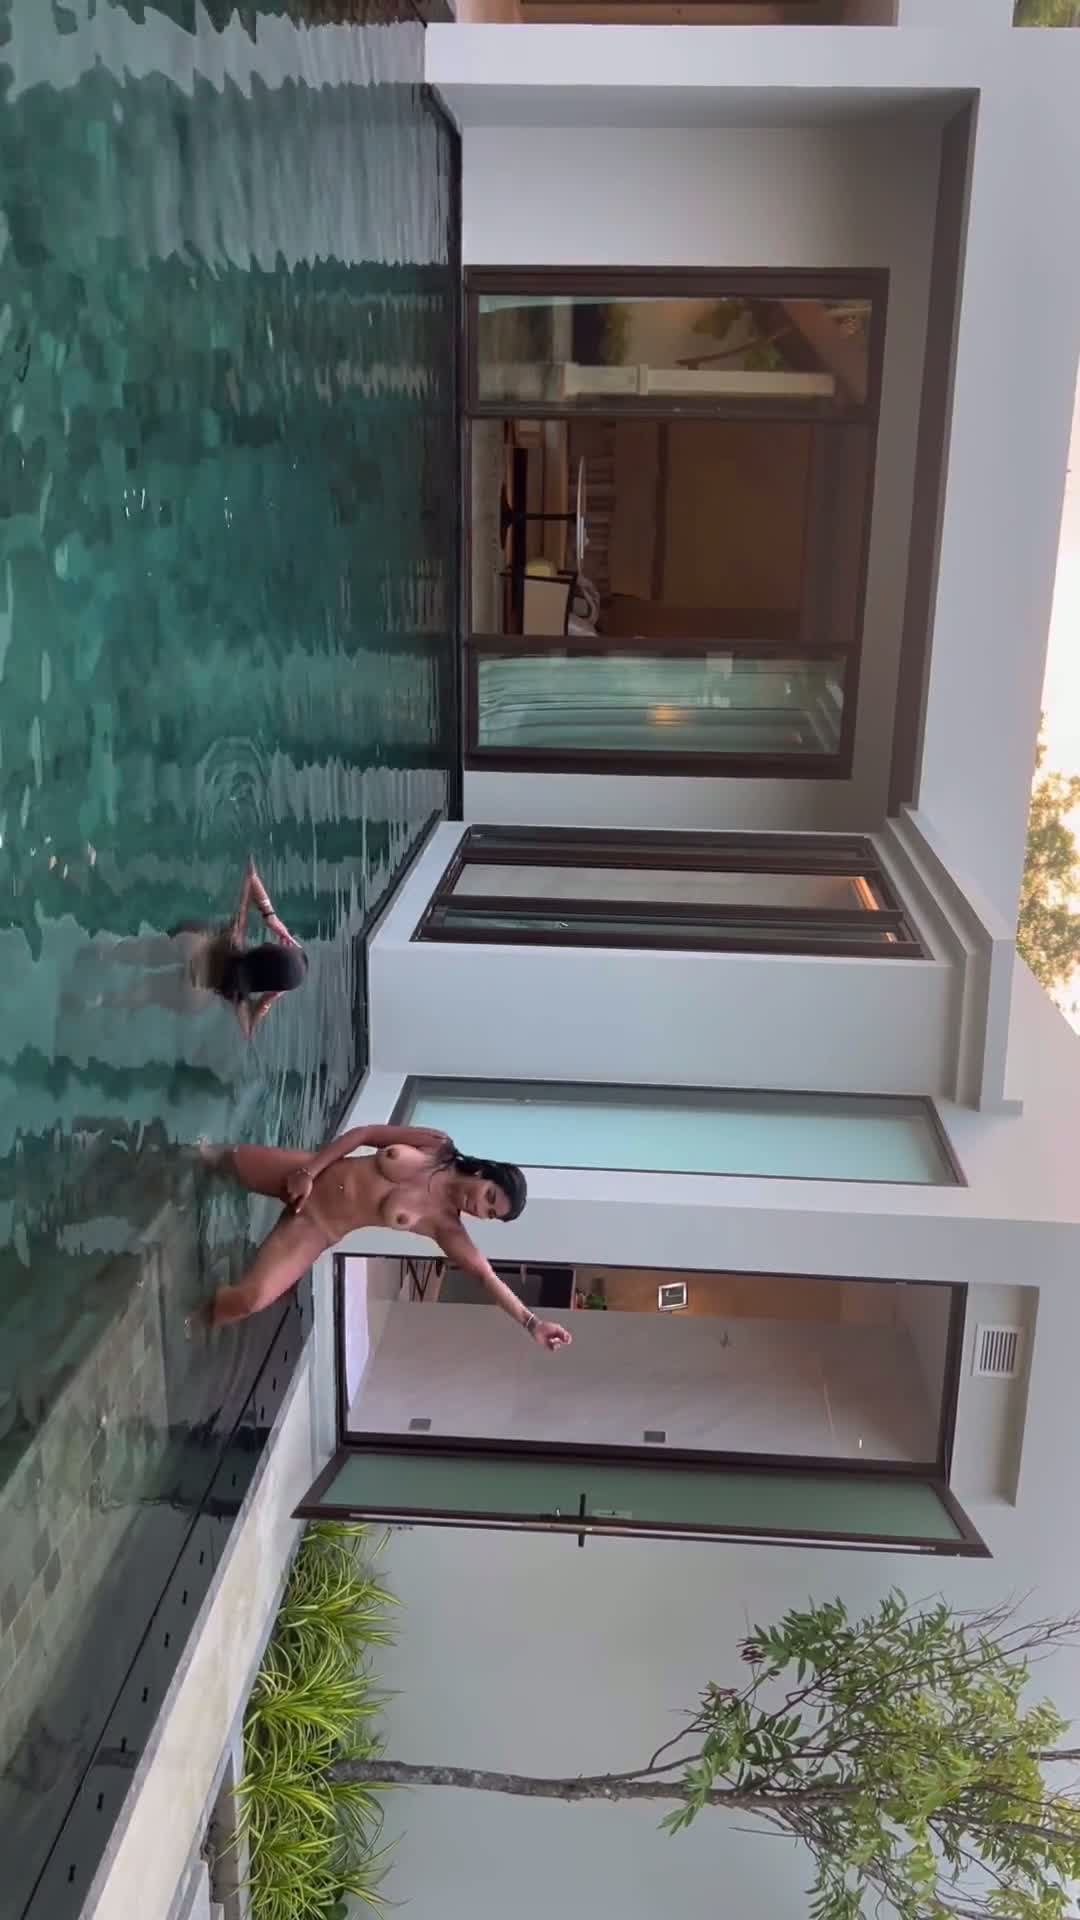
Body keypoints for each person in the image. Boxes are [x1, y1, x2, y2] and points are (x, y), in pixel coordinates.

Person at [199, 1125, 572, 1353]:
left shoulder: (446, 1227)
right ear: (485, 1174)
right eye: (489, 1196)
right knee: (207, 1159)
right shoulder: (437, 1146)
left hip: (315, 1227)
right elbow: (365, 1135)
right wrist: (308, 1172)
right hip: (304, 1173)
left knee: (250, 1300)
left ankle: (191, 1316)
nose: (480, 1206)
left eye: (489, 1213)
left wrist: (532, 1323)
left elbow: (486, 1277)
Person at [171, 856, 307, 1039]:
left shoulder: (234, 936)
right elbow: (248, 1031)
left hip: (183, 944)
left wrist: (271, 916)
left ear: (267, 950)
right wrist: (269, 998)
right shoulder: (237, 996)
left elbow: (250, 873)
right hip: (187, 994)